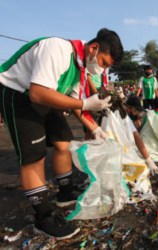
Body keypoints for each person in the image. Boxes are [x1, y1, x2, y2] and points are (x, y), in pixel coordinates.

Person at [0, 28, 123, 239]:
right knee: (34, 156)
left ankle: (65, 192)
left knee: (63, 142)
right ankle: (43, 216)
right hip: (18, 94)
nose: (102, 71)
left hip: (47, 97)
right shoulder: (57, 49)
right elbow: (38, 93)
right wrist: (85, 102)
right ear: (93, 48)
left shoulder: (81, 68)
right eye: (103, 63)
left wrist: (95, 129)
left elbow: (76, 106)